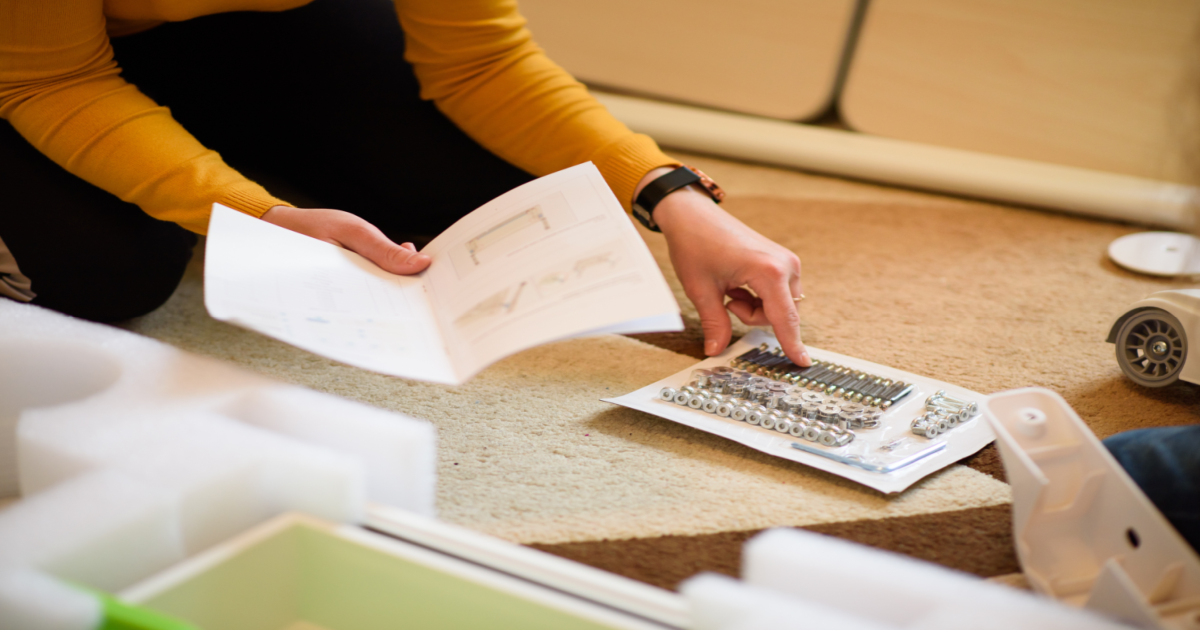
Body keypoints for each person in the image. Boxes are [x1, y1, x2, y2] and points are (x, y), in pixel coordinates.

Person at [0, 0, 810, 367]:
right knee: (107, 273)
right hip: (31, 57)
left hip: (190, 25)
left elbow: (484, 62)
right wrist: (253, 212)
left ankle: (205, 134)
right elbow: (53, 83)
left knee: (473, 201)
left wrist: (670, 193)